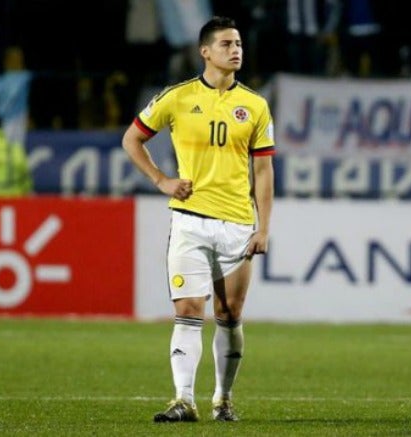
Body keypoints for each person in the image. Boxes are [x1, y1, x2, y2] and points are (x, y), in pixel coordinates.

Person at [121, 15, 275, 423]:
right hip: (189, 220)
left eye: (238, 42)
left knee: (228, 314)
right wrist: (161, 180)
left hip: (238, 225)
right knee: (189, 308)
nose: (236, 49)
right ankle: (183, 400)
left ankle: (223, 400)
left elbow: (263, 172)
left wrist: (263, 227)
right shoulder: (176, 97)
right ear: (205, 51)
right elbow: (132, 138)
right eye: (226, 43)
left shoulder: (256, 106)